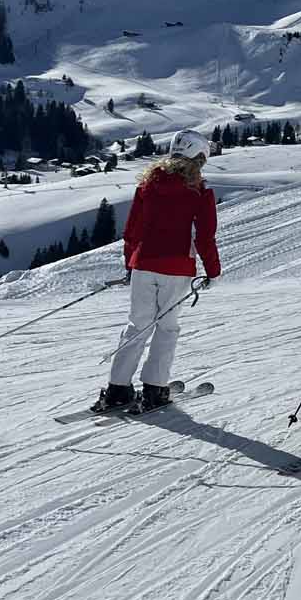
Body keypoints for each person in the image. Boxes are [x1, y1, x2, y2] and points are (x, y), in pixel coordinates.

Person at [102, 129, 222, 411]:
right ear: (198, 158)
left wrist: (130, 264)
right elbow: (205, 237)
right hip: (177, 268)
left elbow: (132, 232)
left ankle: (117, 388)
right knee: (167, 328)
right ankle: (155, 389)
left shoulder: (147, 186)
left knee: (136, 326)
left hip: (143, 265)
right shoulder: (200, 193)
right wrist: (213, 272)